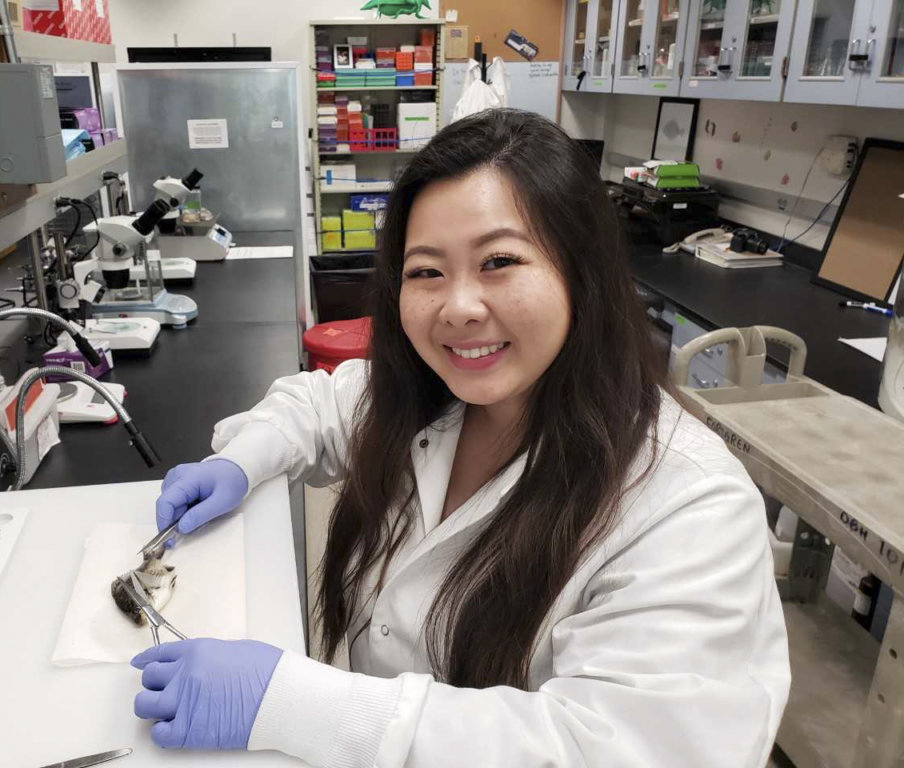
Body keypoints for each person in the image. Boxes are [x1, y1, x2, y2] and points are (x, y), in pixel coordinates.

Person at [130, 109, 790, 767]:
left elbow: (617, 748)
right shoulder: (432, 395)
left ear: (580, 269)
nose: (460, 307)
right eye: (426, 272)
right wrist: (244, 460)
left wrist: (292, 702)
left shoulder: (691, 507)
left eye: (499, 261)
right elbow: (320, 404)